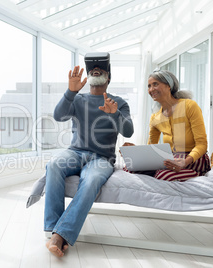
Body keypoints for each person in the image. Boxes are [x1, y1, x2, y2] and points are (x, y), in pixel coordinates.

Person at [44, 52, 134, 257]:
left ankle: (60, 235)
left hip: (102, 158)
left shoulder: (119, 102)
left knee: (92, 178)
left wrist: (115, 114)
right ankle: (52, 229)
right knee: (53, 165)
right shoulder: (77, 98)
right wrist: (70, 91)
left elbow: (128, 131)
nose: (96, 69)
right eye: (93, 68)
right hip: (75, 152)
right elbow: (58, 116)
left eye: (101, 68)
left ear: (108, 78)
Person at [123, 69, 210, 181]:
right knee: (129, 169)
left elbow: (202, 144)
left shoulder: (189, 106)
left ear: (169, 85)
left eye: (155, 84)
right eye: (149, 86)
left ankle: (196, 174)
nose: (151, 89)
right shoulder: (155, 117)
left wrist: (185, 161)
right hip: (171, 158)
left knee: (162, 175)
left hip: (194, 159)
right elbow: (151, 149)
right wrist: (134, 152)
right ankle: (162, 173)